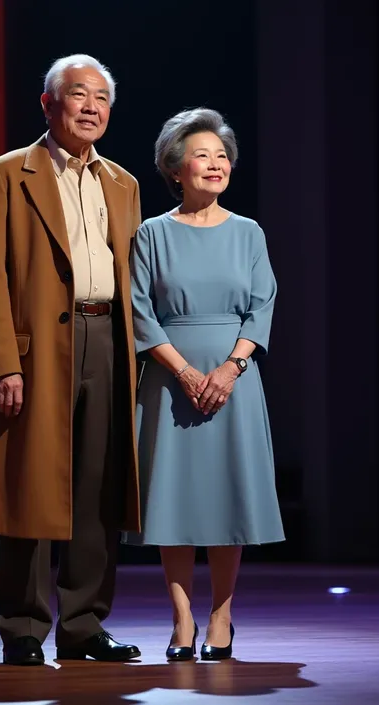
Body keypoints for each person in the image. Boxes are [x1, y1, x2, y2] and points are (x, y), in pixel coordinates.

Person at [0, 54, 142, 666]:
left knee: (98, 488)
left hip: (108, 343)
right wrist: (1, 364)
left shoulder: (123, 183)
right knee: (31, 484)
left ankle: (84, 623)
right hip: (37, 349)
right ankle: (22, 626)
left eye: (101, 96)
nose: (91, 106)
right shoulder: (8, 174)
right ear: (49, 104)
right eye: (77, 94)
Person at [124, 108, 285, 661]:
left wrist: (230, 368)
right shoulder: (151, 232)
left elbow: (262, 306)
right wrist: (188, 371)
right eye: (202, 154)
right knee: (172, 502)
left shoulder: (248, 233)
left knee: (226, 499)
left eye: (222, 156)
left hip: (234, 384)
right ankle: (181, 618)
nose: (215, 164)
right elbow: (140, 313)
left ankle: (221, 615)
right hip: (170, 382)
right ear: (175, 167)